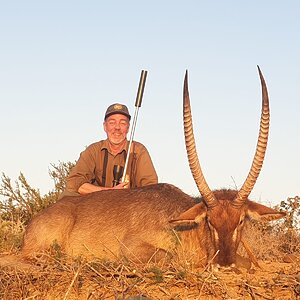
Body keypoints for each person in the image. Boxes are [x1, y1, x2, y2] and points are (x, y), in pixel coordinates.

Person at [61, 103, 158, 197]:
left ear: (128, 128)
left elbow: (151, 187)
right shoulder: (93, 150)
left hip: (129, 205)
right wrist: (110, 192)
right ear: (105, 126)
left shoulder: (138, 150)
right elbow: (74, 182)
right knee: (68, 195)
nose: (117, 128)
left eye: (122, 123)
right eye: (112, 122)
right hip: (97, 203)